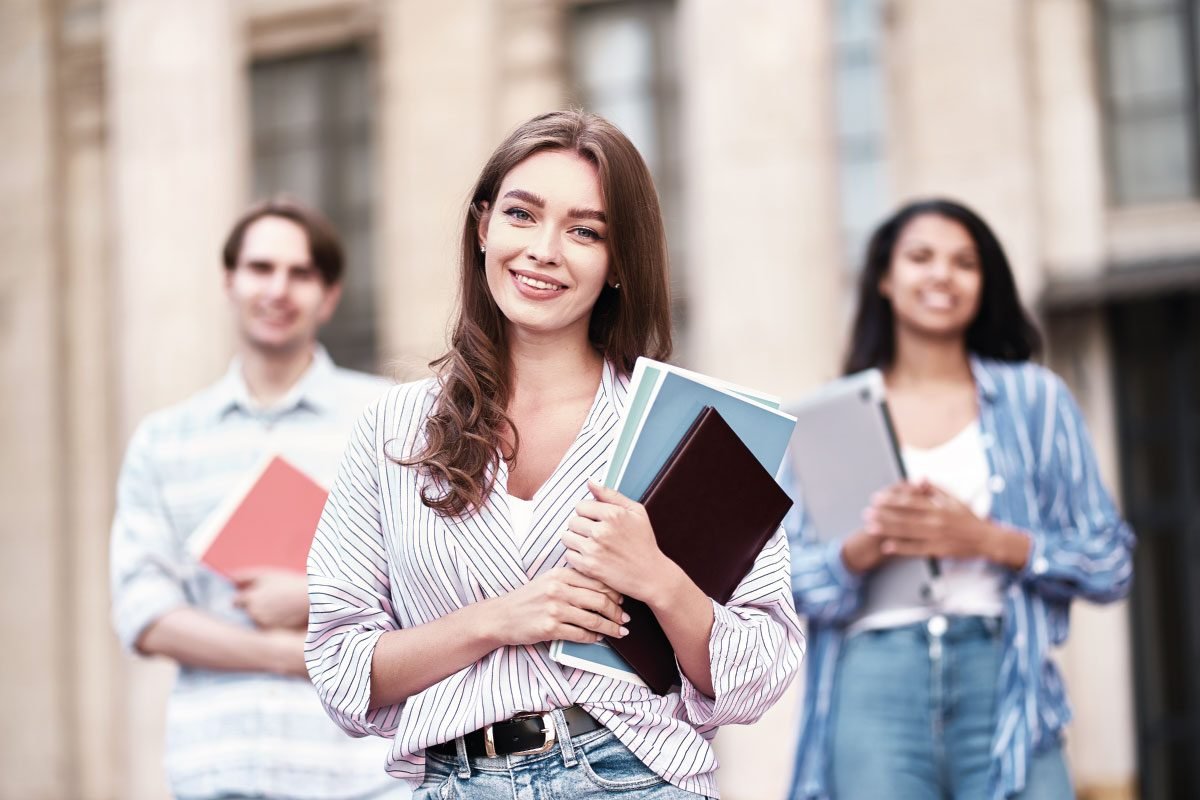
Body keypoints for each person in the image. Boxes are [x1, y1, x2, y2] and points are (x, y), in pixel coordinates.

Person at [304, 110, 804, 800]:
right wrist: (497, 620)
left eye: (584, 231)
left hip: (631, 777)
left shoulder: (690, 428)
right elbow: (339, 665)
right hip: (454, 781)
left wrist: (658, 577)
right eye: (521, 215)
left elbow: (761, 668)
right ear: (483, 226)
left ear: (619, 260)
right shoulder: (396, 430)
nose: (544, 250)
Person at [782, 198, 1135, 800]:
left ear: (983, 283)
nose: (942, 275)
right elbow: (780, 584)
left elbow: (1111, 563)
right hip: (873, 684)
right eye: (921, 258)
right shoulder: (830, 418)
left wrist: (990, 541)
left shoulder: (1035, 401)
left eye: (964, 262)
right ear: (886, 280)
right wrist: (861, 552)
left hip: (1002, 675)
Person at [109, 198, 408, 800]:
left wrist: (314, 594)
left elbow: (433, 584)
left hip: (358, 779)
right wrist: (288, 656)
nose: (278, 289)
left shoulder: (388, 421)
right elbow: (142, 610)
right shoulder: (166, 441)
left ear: (328, 296)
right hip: (217, 773)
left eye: (300, 274)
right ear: (229, 281)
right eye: (261, 268)